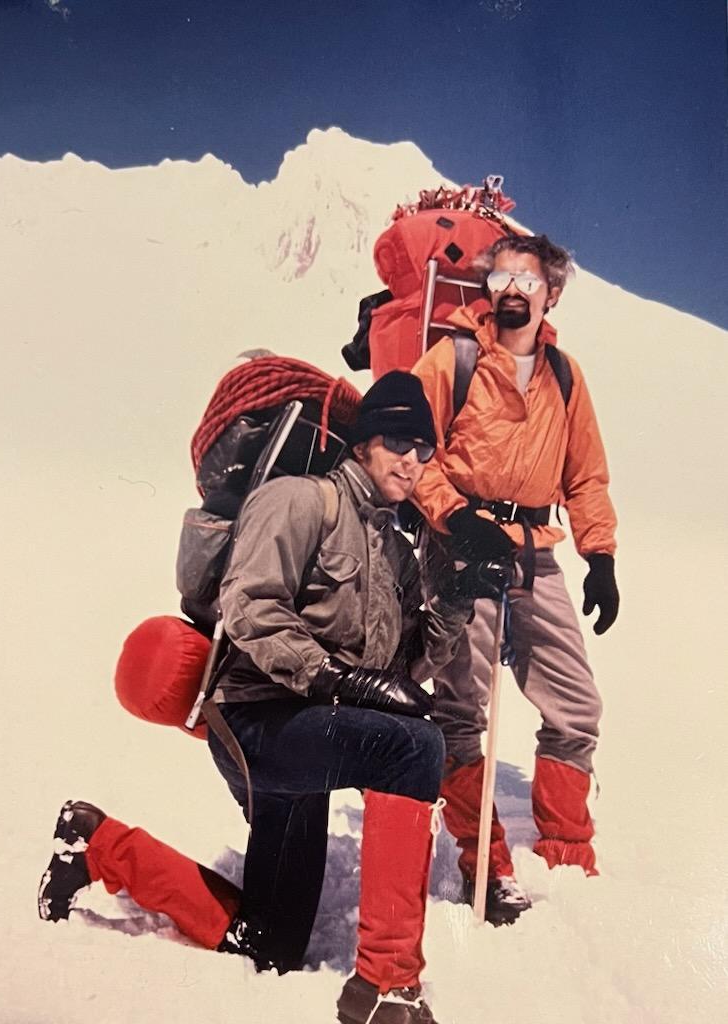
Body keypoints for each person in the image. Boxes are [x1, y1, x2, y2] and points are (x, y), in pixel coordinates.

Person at [39, 371, 503, 1024]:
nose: (412, 459)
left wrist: (456, 598)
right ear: (364, 443)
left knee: (269, 942)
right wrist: (334, 678)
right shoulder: (299, 501)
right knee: (414, 748)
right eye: (398, 442)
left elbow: (405, 666)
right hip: (256, 722)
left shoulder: (392, 551)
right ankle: (386, 986)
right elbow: (250, 606)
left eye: (423, 449)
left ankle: (99, 844)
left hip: (308, 734)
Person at [411, 233, 619, 923]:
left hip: (534, 552)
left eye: (525, 281)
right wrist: (455, 518)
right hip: (460, 547)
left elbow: (586, 475)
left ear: (549, 294)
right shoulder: (453, 360)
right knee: (461, 710)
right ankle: (486, 864)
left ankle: (566, 855)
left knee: (576, 705)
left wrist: (601, 557)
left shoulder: (565, 376)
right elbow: (412, 450)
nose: (510, 291)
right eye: (500, 278)